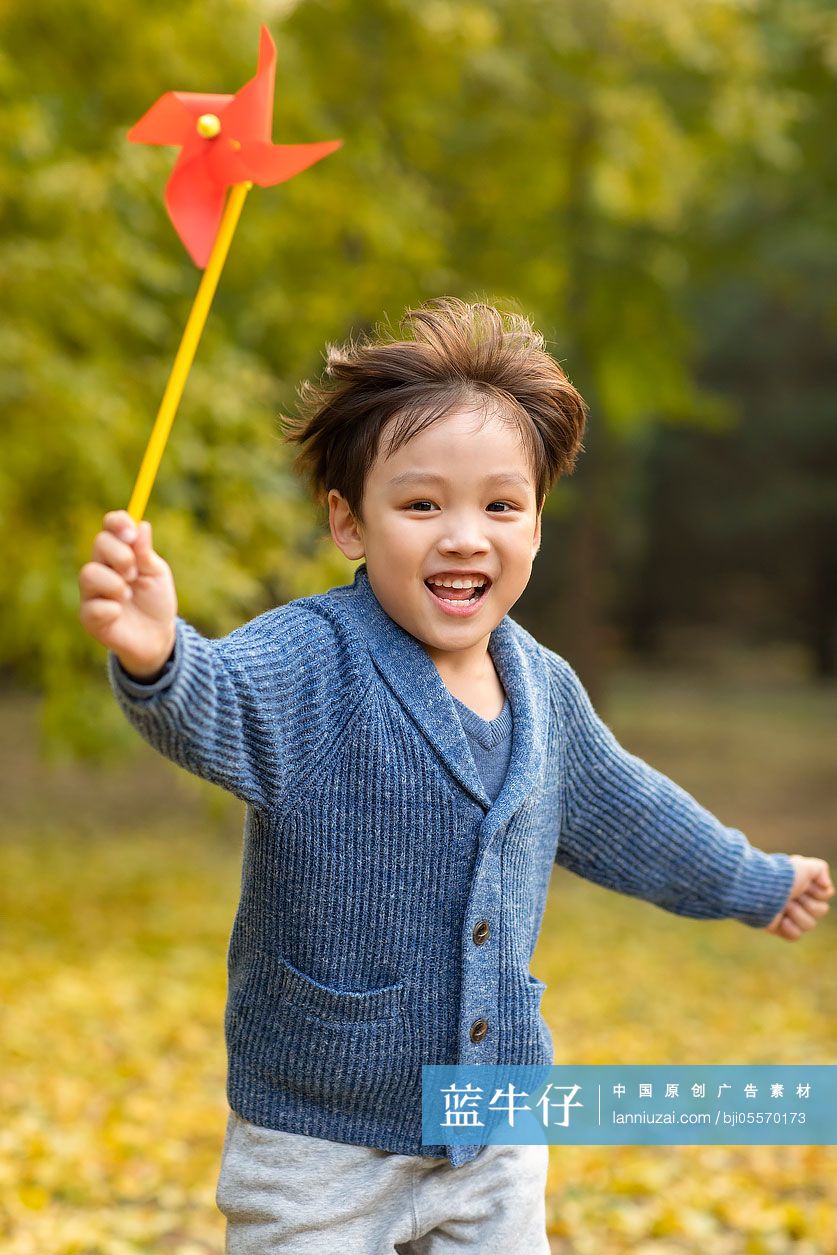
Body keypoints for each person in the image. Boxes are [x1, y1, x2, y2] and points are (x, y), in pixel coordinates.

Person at [78, 298, 833, 1253]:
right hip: (321, 1137)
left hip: (495, 1123)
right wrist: (160, 657)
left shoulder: (543, 689)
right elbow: (222, 706)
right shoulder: (317, 660)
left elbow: (631, 815)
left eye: (500, 505)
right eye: (423, 503)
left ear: (537, 526)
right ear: (349, 523)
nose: (465, 535)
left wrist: (753, 880)